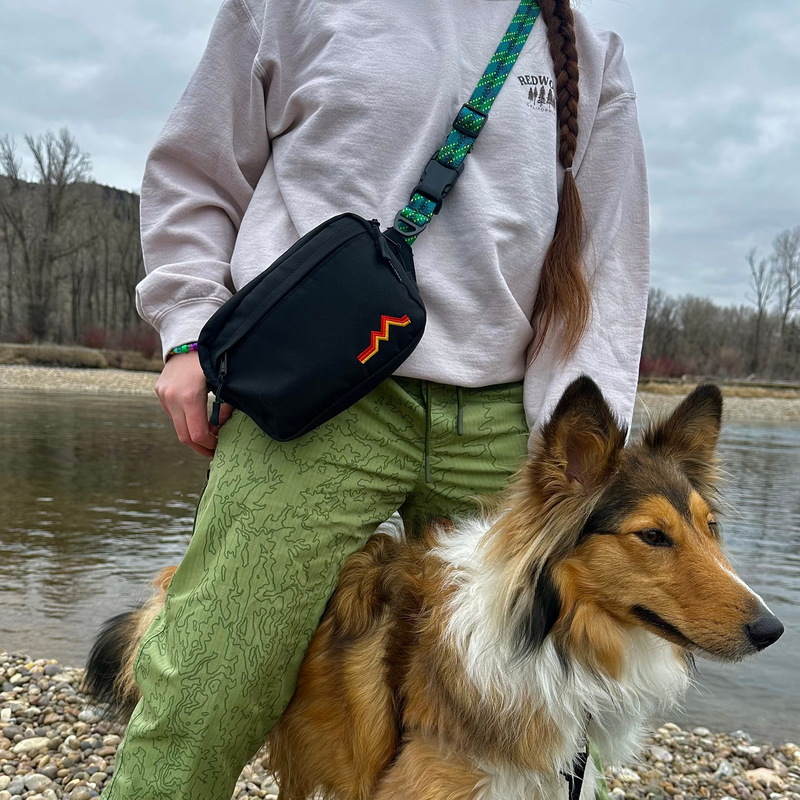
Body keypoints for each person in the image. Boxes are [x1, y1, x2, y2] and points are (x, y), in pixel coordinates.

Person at [100, 0, 649, 797]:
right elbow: (197, 169)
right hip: (317, 396)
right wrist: (187, 327)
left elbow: (606, 268)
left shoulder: (589, 56)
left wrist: (582, 462)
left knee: (539, 703)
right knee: (213, 671)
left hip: (510, 421)